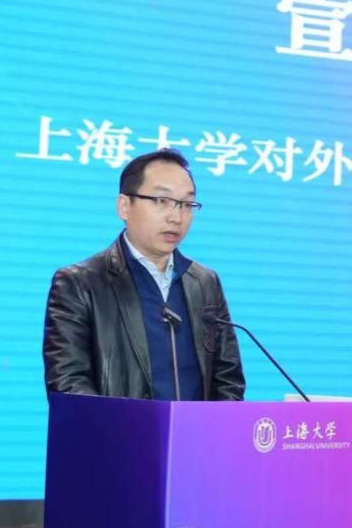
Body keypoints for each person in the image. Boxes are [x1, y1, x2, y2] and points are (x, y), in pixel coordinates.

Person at [42, 148, 245, 400]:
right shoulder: (79, 283)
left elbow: (228, 380)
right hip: (116, 427)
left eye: (187, 204)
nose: (176, 217)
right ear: (124, 206)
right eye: (161, 201)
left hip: (196, 428)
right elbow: (68, 385)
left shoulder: (205, 282)